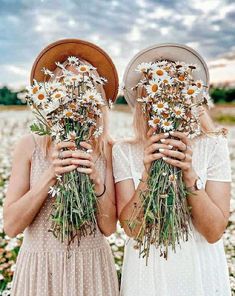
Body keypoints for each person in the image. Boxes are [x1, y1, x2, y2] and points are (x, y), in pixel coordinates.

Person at [113, 43, 232, 296]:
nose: (163, 99)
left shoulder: (213, 145)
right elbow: (133, 229)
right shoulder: (123, 151)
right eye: (156, 91)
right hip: (147, 272)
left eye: (175, 89)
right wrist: (147, 174)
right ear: (144, 99)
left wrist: (189, 174)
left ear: (189, 97)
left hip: (199, 268)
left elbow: (214, 232)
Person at [3, 39, 119, 296]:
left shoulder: (109, 148)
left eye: (85, 85)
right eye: (67, 84)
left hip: (91, 268)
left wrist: (97, 181)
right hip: (40, 269)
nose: (75, 93)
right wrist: (51, 175)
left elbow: (110, 228)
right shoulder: (29, 146)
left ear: (96, 96)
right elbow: (11, 226)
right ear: (53, 92)